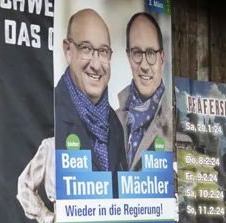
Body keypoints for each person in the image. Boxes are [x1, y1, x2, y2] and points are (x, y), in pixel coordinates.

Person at [55, 9, 125, 175]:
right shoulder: (49, 112)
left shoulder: (115, 124)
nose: (96, 64)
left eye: (103, 51)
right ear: (68, 50)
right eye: (86, 49)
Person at [115, 12, 171, 171]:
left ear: (162, 58)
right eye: (137, 53)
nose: (145, 65)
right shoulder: (111, 121)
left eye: (151, 53)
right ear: (129, 57)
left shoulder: (177, 120)